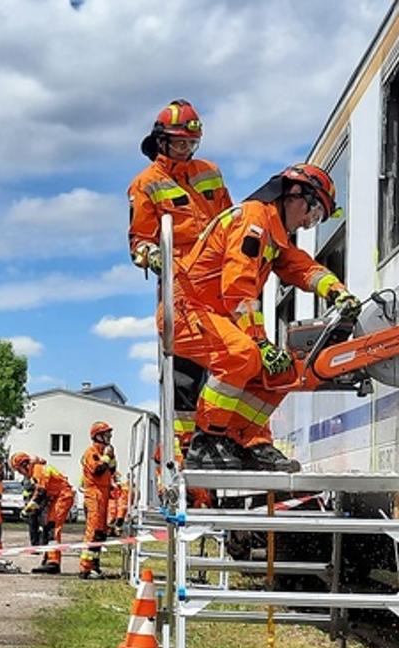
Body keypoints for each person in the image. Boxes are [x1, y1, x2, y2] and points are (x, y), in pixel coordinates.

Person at [177, 164, 357, 471]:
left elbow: (301, 267)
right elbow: (237, 288)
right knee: (241, 354)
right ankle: (205, 442)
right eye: (312, 214)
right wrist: (260, 341)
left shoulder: (274, 232)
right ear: (295, 195)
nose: (306, 223)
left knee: (283, 371)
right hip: (189, 311)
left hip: (219, 316)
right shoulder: (253, 219)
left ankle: (244, 441)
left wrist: (337, 292)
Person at [131, 99, 233, 447]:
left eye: (192, 143)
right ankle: (186, 448)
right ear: (162, 141)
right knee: (186, 374)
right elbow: (140, 240)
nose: (187, 149)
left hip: (220, 284)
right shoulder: (146, 183)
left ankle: (218, 439)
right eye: (180, 143)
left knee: (230, 363)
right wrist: (153, 257)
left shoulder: (210, 172)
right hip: (182, 287)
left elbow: (229, 219)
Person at [11, 453, 73, 575]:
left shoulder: (38, 471)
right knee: (47, 528)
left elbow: (40, 492)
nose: (20, 473)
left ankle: (53, 562)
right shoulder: (37, 470)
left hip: (62, 496)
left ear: (24, 465)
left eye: (19, 470)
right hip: (57, 497)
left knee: (52, 527)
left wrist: (27, 509)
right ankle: (48, 558)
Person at [78, 422, 118, 578]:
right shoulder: (91, 452)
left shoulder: (103, 453)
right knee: (93, 532)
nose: (109, 437)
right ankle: (85, 569)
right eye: (106, 434)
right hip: (94, 494)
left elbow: (112, 470)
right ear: (98, 436)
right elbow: (97, 470)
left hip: (103, 493)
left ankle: (95, 566)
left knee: (101, 533)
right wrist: (107, 456)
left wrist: (111, 457)